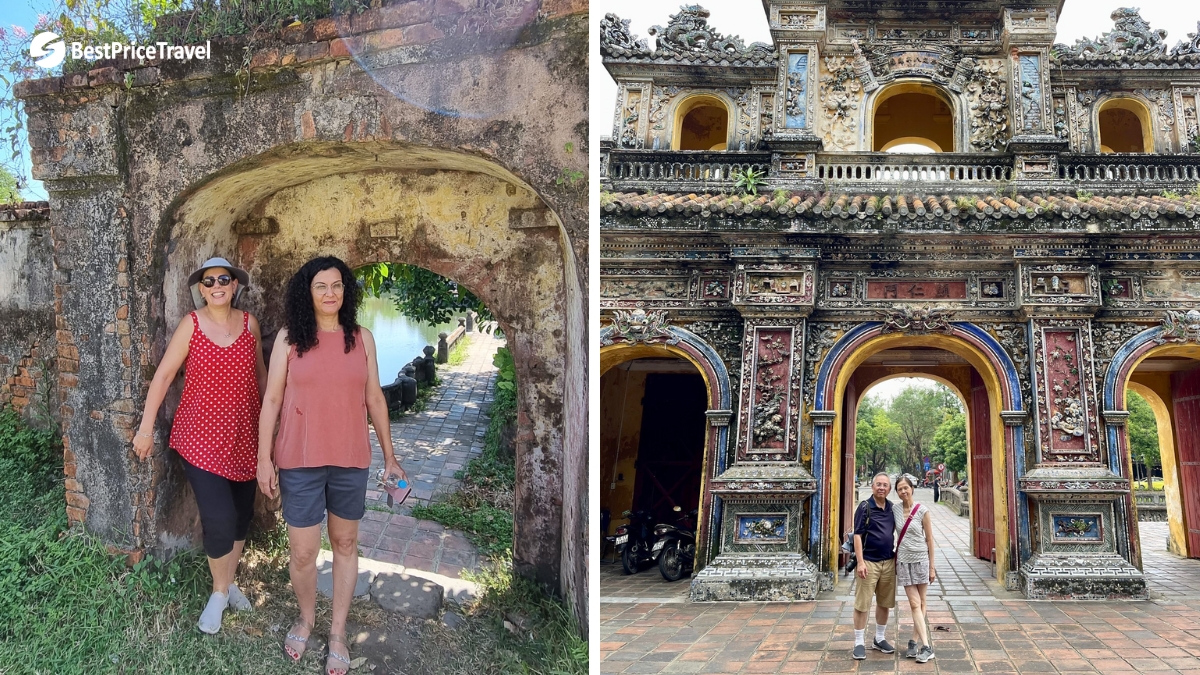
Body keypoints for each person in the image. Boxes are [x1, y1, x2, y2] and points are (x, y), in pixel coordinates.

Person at [257, 256, 407, 675]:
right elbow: (271, 400)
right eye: (321, 286)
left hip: (350, 459)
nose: (330, 293)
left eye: (337, 285)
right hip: (298, 460)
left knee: (345, 544)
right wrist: (262, 457)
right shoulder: (290, 339)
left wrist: (390, 455)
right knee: (303, 553)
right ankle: (306, 619)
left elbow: (374, 398)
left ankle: (337, 631)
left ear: (347, 291)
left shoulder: (362, 338)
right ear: (308, 292)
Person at [133, 257, 266, 634]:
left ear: (234, 285)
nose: (218, 285)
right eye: (210, 281)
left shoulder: (249, 324)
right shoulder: (190, 326)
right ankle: (219, 593)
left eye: (225, 279)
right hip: (201, 438)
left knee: (241, 516)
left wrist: (274, 431)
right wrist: (145, 429)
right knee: (219, 519)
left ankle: (225, 584)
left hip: (245, 436)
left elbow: (261, 378)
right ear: (202, 289)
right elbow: (164, 376)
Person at [851, 472, 897, 660]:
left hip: (888, 562)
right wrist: (860, 562)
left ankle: (879, 638)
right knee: (863, 603)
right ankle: (859, 641)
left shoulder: (892, 508)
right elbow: (857, 535)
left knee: (884, 602)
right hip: (868, 562)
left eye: (885, 485)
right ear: (872, 487)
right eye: (878, 484)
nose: (881, 487)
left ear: (889, 489)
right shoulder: (865, 507)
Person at [894, 474, 937, 663]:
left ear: (912, 488)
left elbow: (929, 539)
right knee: (914, 603)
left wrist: (932, 567)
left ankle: (916, 642)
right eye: (899, 489)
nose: (903, 491)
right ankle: (926, 646)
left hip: (921, 559)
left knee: (921, 602)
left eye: (906, 488)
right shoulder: (894, 509)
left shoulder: (922, 510)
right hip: (903, 560)